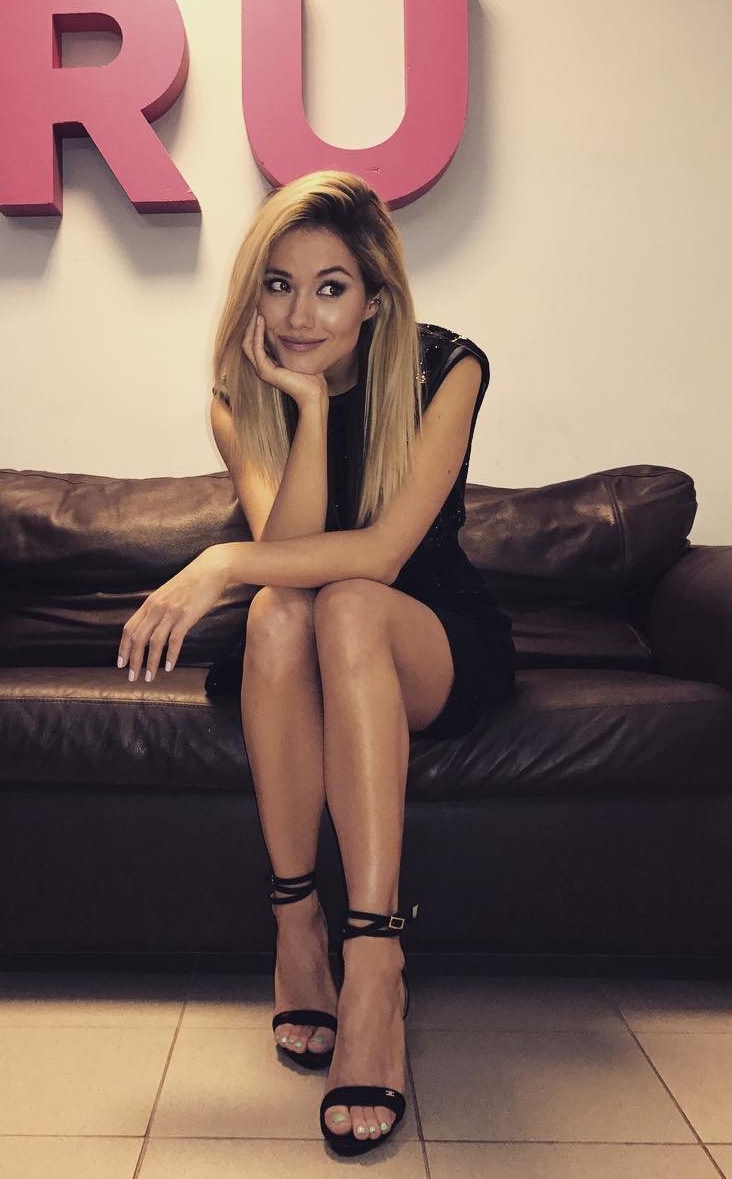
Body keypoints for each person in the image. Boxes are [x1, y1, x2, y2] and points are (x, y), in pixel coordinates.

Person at [115, 169, 516, 1157]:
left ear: (374, 298)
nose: (300, 314)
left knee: (347, 602)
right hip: (305, 639)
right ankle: (296, 925)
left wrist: (217, 562)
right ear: (253, 292)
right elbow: (287, 556)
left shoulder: (447, 368)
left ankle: (374, 963)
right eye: (279, 284)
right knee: (280, 615)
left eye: (331, 287)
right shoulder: (239, 397)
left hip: (427, 636)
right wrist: (308, 409)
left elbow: (379, 554)